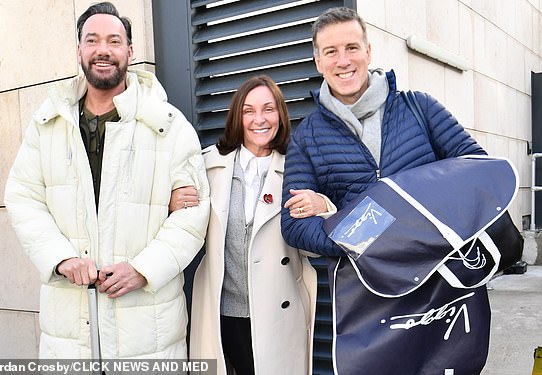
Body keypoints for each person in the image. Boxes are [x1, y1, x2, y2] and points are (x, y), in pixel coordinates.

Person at [280, 6, 488, 375]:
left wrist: (417, 225)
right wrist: (363, 238)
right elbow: (294, 225)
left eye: (351, 47)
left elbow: (476, 169)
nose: (343, 60)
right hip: (370, 294)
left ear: (368, 51)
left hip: (441, 284)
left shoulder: (418, 107)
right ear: (317, 60)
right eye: (331, 51)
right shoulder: (307, 137)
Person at [4, 2, 209, 359]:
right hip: (69, 329)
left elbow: (192, 215)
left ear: (130, 51)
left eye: (114, 41)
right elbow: (23, 198)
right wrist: (61, 258)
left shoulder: (169, 125)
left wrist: (143, 270)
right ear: (79, 50)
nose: (103, 50)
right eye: (92, 40)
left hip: (148, 331)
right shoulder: (47, 125)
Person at [182, 75, 317, 375]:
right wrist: (175, 199)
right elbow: (181, 219)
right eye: (249, 110)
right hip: (223, 309)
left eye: (268, 109)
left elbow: (318, 245)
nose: (259, 119)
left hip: (277, 310)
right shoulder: (209, 165)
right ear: (237, 117)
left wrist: (322, 206)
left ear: (280, 115)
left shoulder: (297, 166)